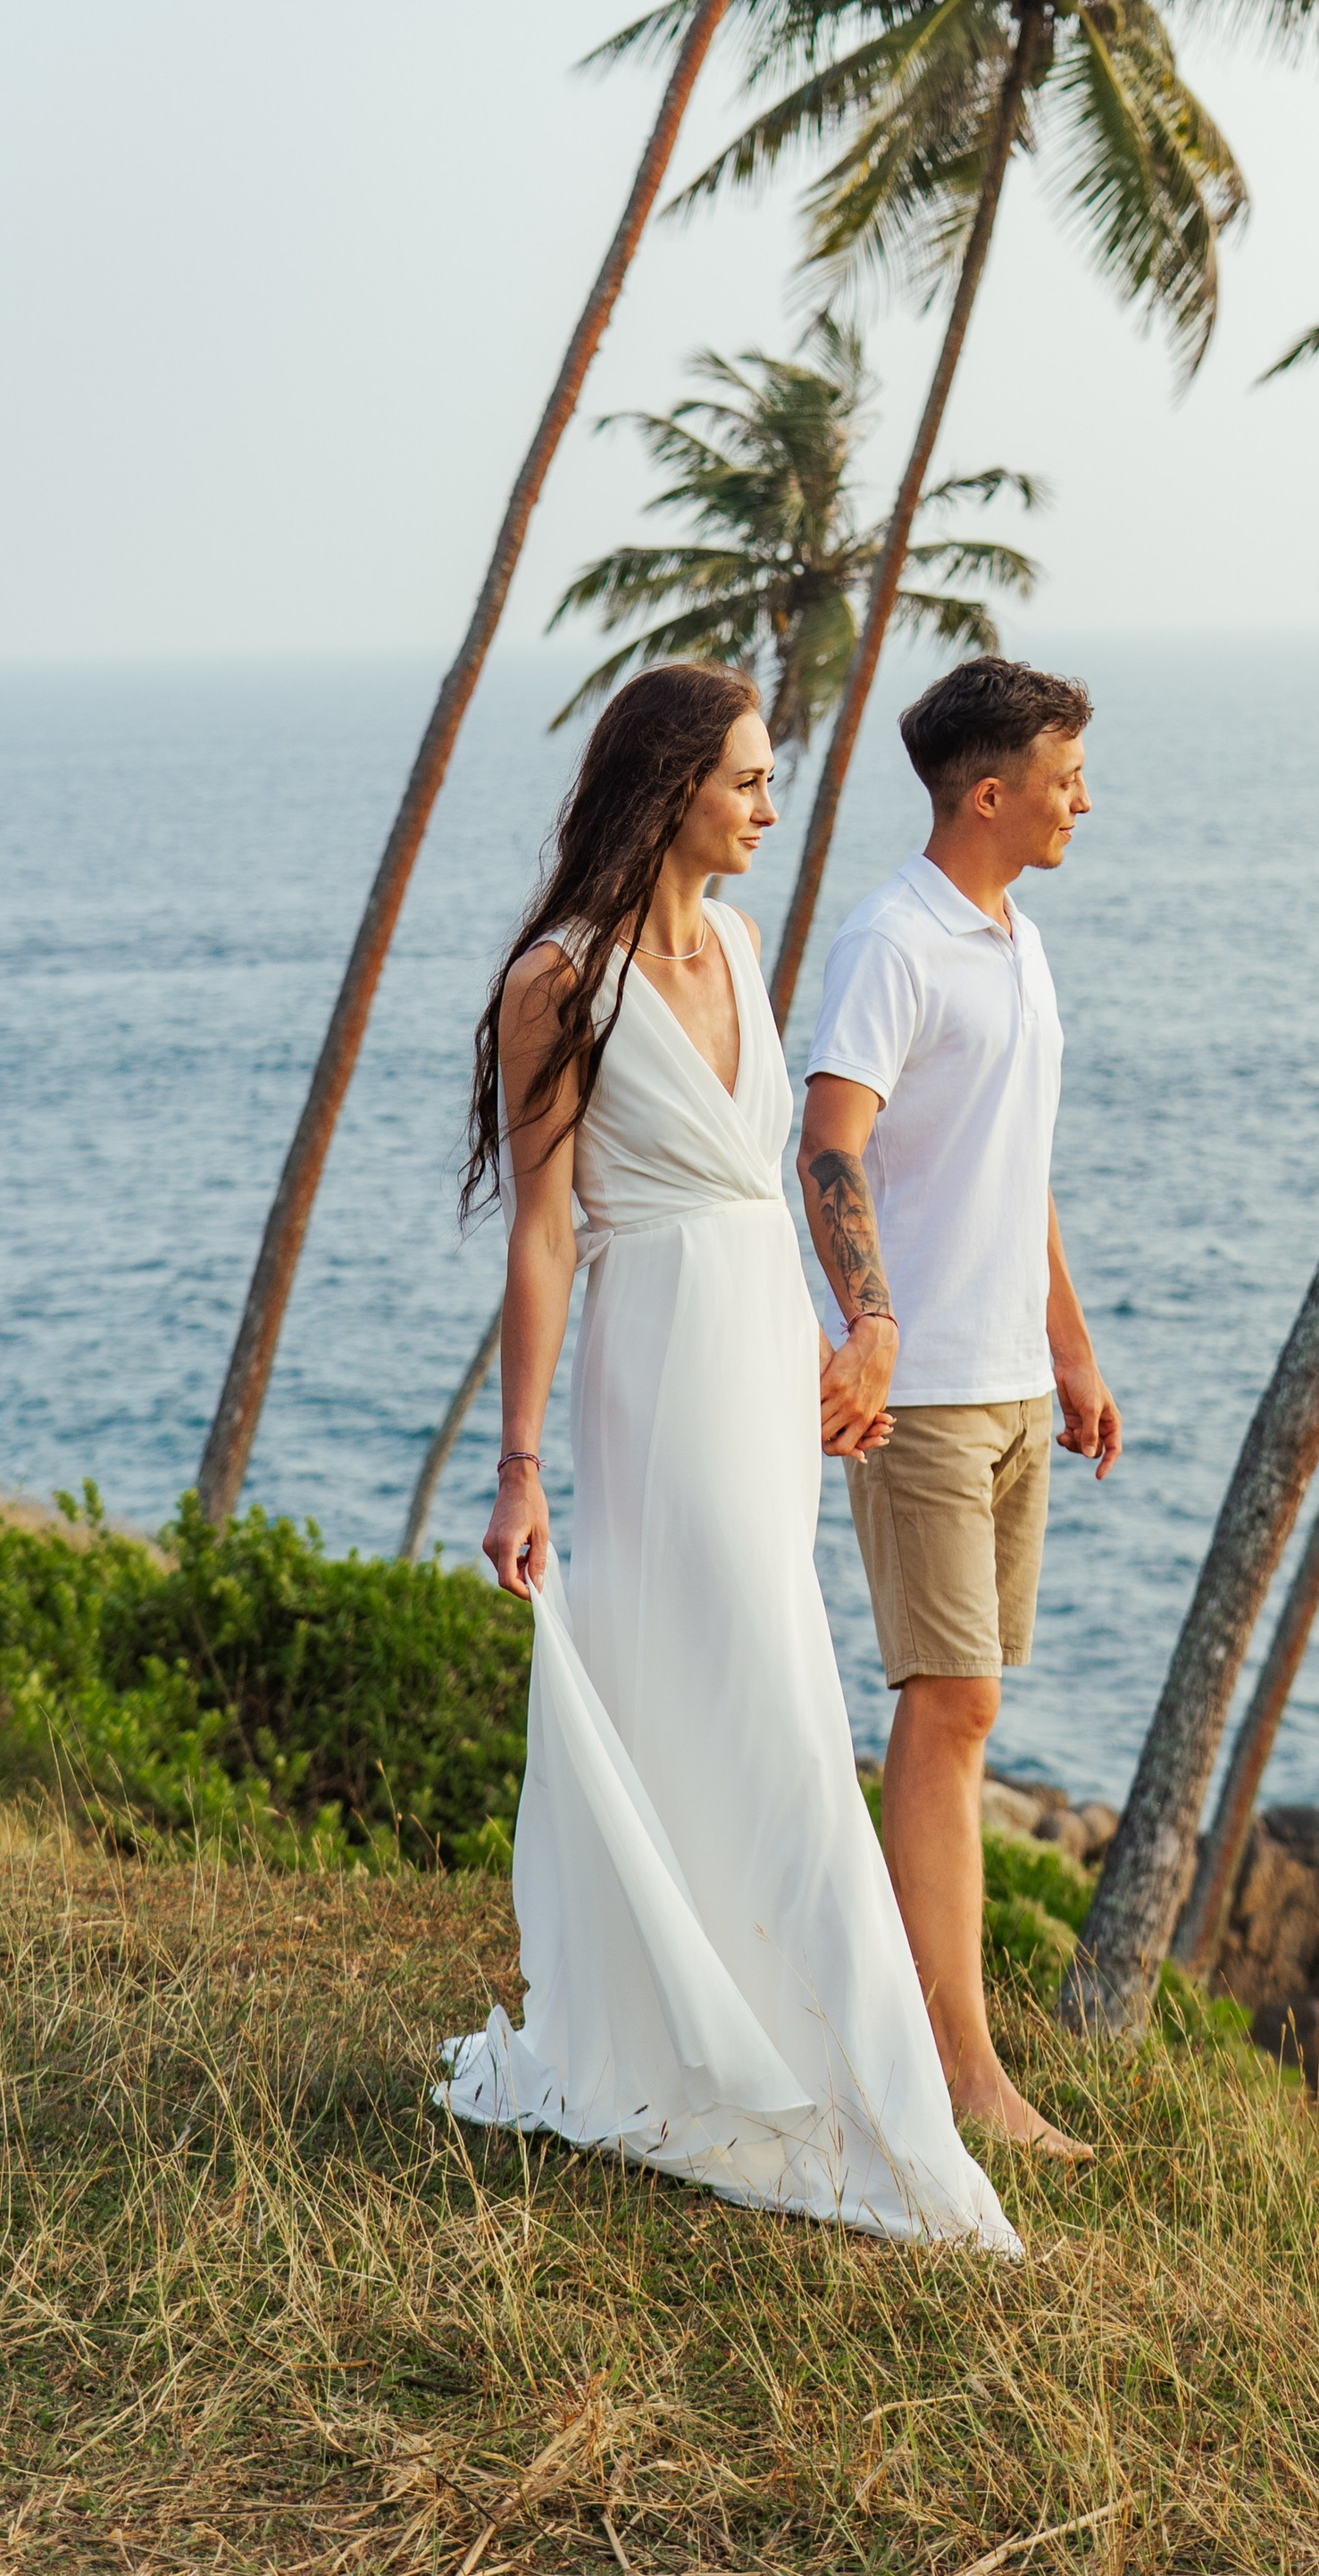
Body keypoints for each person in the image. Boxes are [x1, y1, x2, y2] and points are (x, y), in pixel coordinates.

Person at [440, 663, 1017, 2255]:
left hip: (762, 1341)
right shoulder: (558, 981)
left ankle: (754, 2030)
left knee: (742, 1672)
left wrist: (849, 1337)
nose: (771, 805)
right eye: (748, 779)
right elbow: (546, 1232)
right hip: (656, 1356)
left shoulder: (746, 946)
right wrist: (518, 1462)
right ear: (669, 785)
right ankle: (860, 2084)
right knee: (759, 1678)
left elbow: (778, 1177)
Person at [799, 658, 1120, 2161]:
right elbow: (829, 1145)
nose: (1083, 800)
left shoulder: (1017, 941)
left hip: (1005, 1380)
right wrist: (870, 1322)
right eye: (1064, 776)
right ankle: (959, 2066)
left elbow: (1015, 1159)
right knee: (951, 1708)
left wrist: (1070, 1343)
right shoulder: (893, 941)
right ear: (988, 794)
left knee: (967, 1710)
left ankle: (916, 2028)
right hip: (921, 1390)